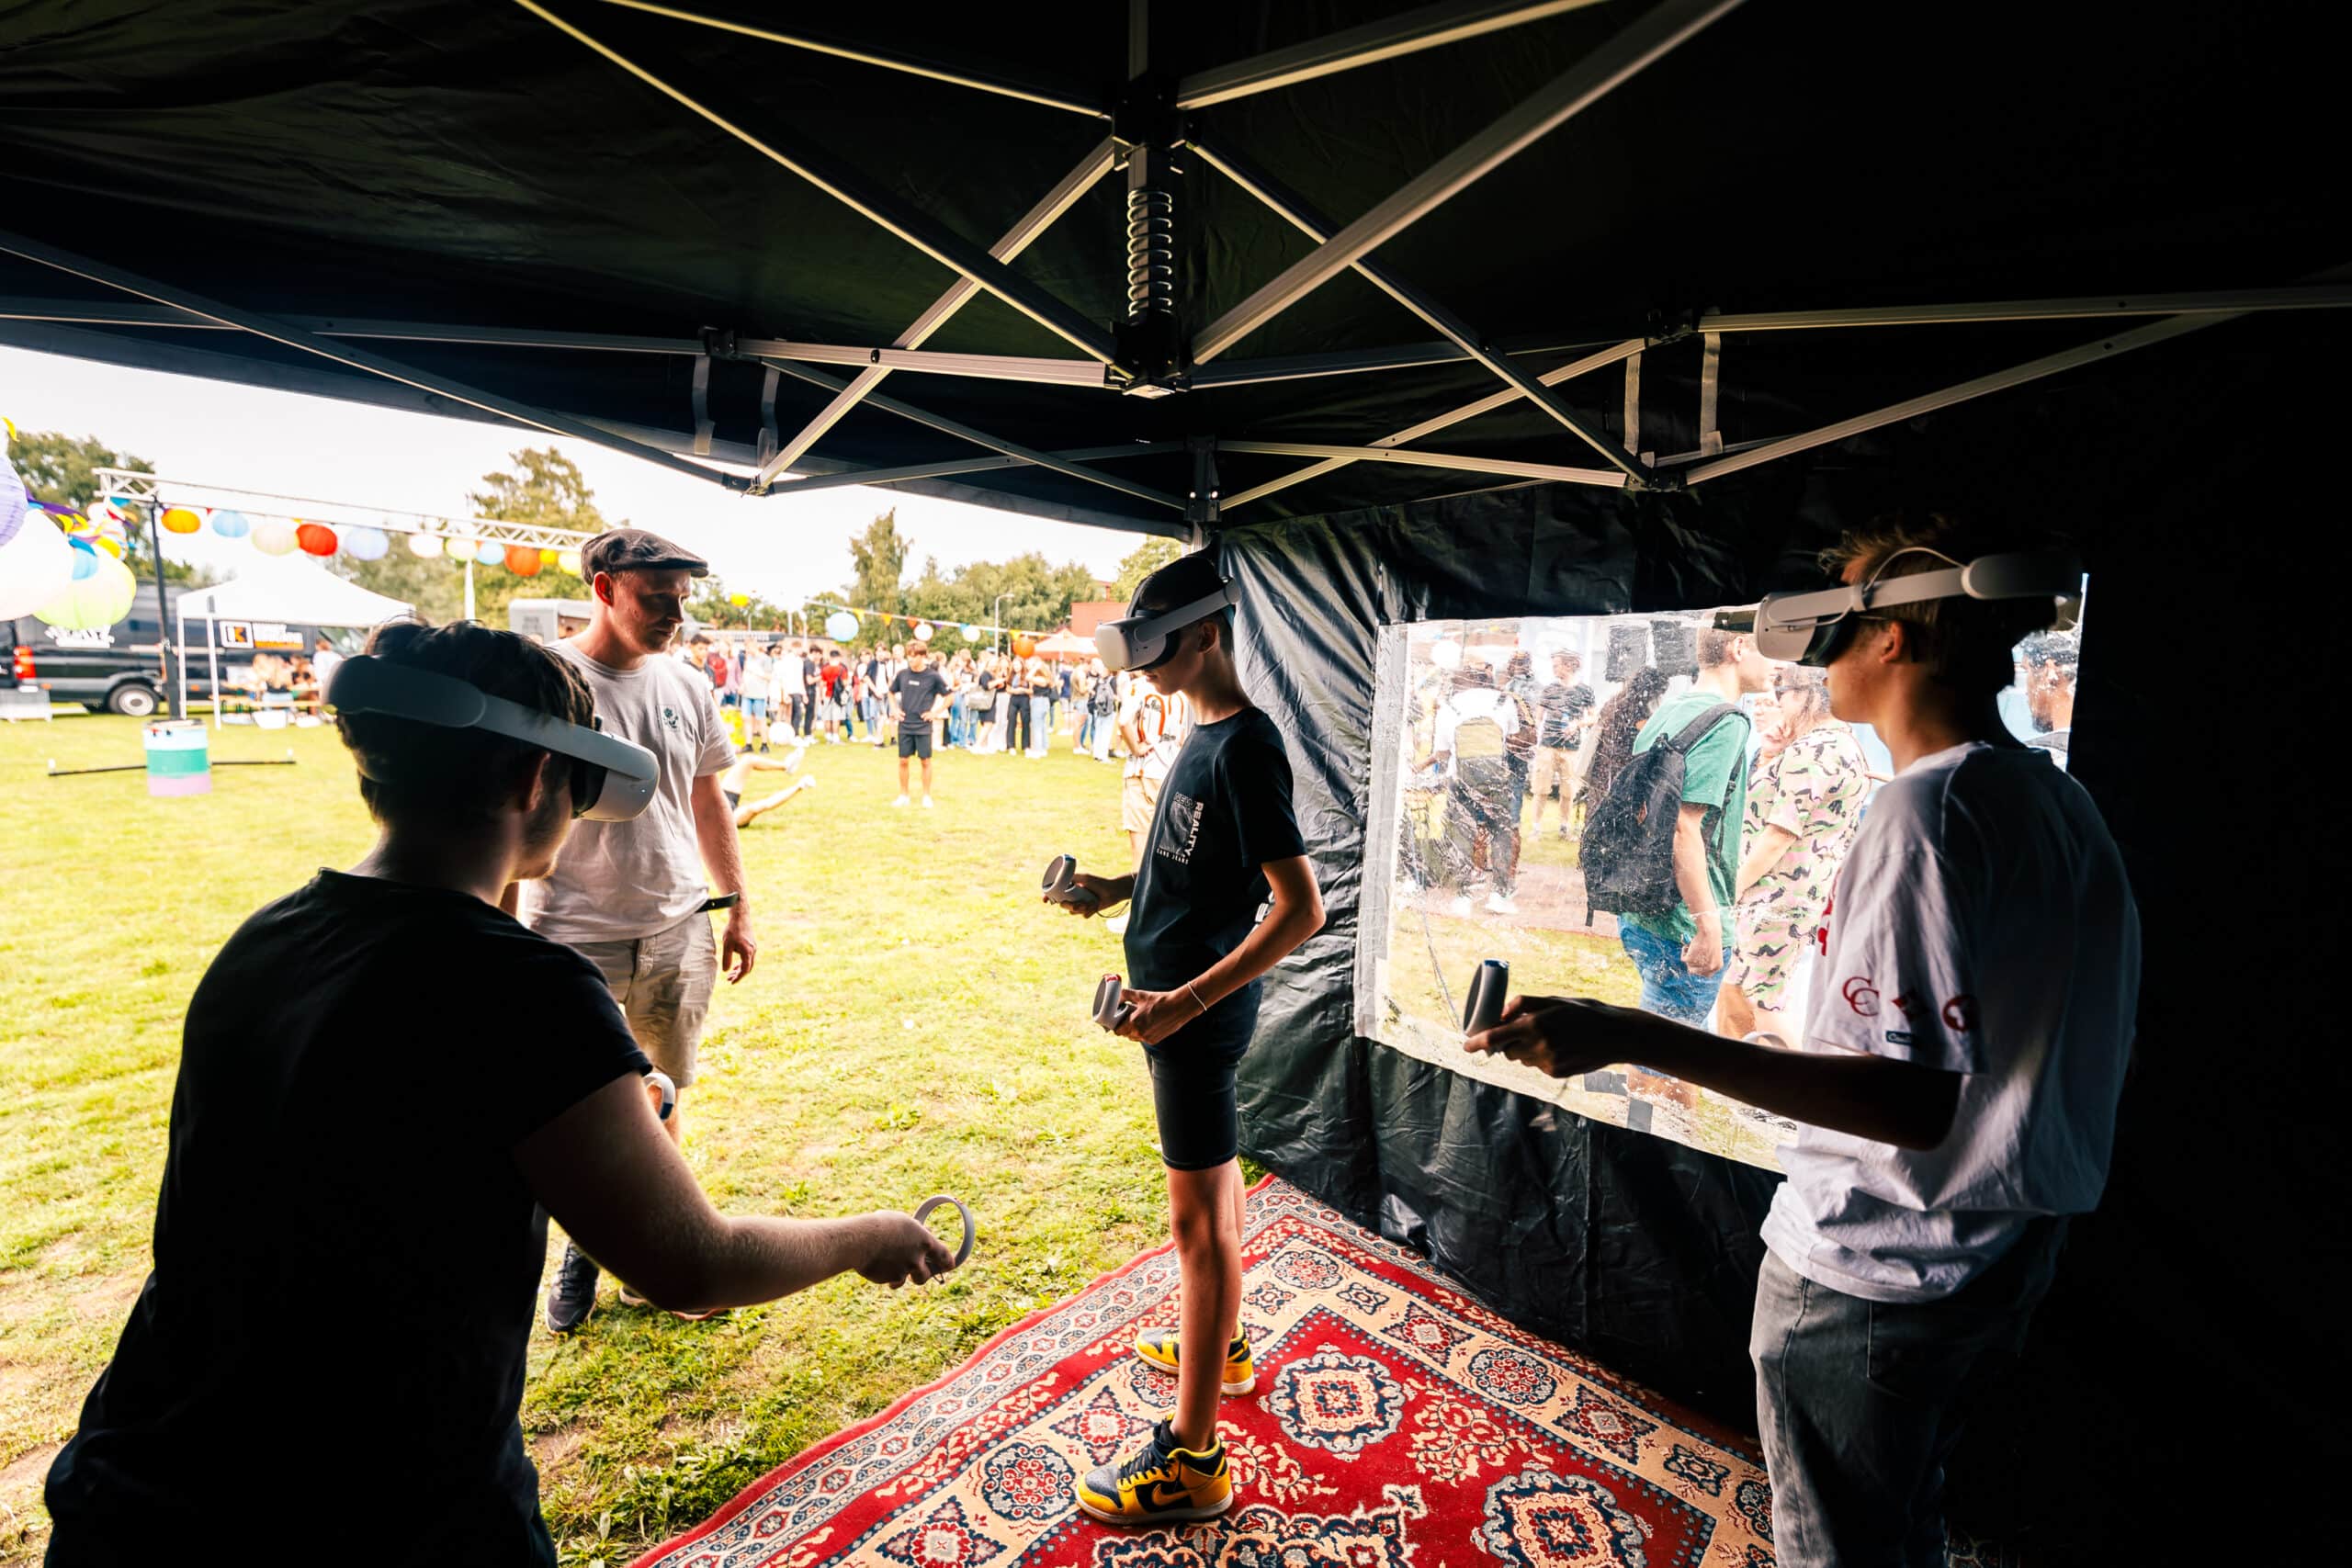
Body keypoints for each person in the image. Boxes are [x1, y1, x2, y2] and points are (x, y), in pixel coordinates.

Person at [41, 619, 953, 1567]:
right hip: (378, 1512)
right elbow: (690, 1267)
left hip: (144, 1484)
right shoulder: (523, 993)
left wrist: (592, 1111)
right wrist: (871, 1237)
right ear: (531, 781)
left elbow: (383, 1143)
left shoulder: (268, 937)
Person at [1466, 513, 2137, 1568]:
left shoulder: (1926, 811)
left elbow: (1909, 1105)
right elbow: (1991, 1048)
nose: (1816, 654)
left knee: (1836, 1547)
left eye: (1838, 619)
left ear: (1892, 638)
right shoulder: (2055, 799)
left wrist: (1634, 1035)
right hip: (1990, 1252)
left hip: (1878, 1266)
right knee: (1899, 1523)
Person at [1051, 552, 1323, 1525]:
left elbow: (1299, 911)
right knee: (1213, 1199)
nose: (1141, 670)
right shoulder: (1197, 731)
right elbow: (1204, 867)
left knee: (1195, 1226)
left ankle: (1195, 1458)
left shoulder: (1246, 745)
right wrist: (1113, 892)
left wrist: (1185, 1004)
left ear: (1207, 633)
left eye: (1157, 648)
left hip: (1192, 1021)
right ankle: (1229, 1345)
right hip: (1178, 1011)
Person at [514, 529, 763, 1332]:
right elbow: (511, 802)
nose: (675, 613)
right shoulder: (549, 680)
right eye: (658, 595)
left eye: (682, 597)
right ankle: (581, 1250)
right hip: (571, 930)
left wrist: (737, 903)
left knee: (663, 1095)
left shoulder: (687, 684)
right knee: (569, 1108)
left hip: (677, 925)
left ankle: (651, 1266)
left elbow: (707, 799)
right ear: (604, 588)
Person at [1614, 629, 1768, 1026]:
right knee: (1667, 1060)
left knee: (1657, 1042)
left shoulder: (1672, 706)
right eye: (1771, 651)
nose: (1779, 665)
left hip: (1642, 909)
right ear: (1739, 647)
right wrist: (1708, 924)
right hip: (1684, 921)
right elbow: (1684, 826)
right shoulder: (1728, 721)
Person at [1718, 665, 1871, 1043]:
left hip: (1775, 895)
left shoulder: (1813, 751)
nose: (1776, 705)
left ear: (1807, 695)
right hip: (1792, 892)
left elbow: (1777, 836)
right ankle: (1745, 1089)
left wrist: (1728, 893)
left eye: (1781, 695)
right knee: (1738, 994)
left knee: (1763, 1003)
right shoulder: (1842, 743)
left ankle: (1790, 1091)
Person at [1427, 660, 1524, 915]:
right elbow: (1513, 736)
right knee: (1501, 833)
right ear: (1486, 679)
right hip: (1497, 778)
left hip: (1461, 778)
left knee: (1462, 834)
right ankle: (1499, 894)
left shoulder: (1449, 706)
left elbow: (1442, 752)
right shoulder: (1504, 701)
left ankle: (1463, 895)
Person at [1527, 650, 1596, 837]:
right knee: (1540, 789)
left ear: (1568, 665)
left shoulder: (1585, 691)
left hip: (1571, 749)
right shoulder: (1549, 689)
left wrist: (1577, 724)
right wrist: (1538, 734)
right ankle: (1536, 828)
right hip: (1547, 746)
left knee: (1568, 791)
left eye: (1556, 665)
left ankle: (1564, 827)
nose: (1553, 668)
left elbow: (1594, 717)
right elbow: (1539, 716)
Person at [1582, 665, 1669, 808]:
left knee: (1598, 810)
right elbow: (1648, 737)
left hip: (1603, 768)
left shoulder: (1614, 701)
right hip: (1622, 770)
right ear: (1650, 690)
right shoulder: (1636, 708)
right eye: (1658, 693)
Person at [889, 639, 950, 807]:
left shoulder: (933, 676)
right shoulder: (902, 674)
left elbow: (949, 696)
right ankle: (903, 795)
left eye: (914, 657)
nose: (910, 660)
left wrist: (935, 713)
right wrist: (895, 710)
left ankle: (926, 796)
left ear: (923, 656)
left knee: (925, 761)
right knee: (903, 760)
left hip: (923, 725)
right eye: (909, 656)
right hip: (905, 724)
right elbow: (891, 692)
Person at [718, 742, 815, 829]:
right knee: (755, 808)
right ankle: (801, 786)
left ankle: (786, 766)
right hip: (727, 817)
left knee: (748, 760)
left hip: (721, 797)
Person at [739, 641, 774, 752]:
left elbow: (769, 676)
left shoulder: (765, 659)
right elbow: (745, 672)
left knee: (760, 719)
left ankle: (764, 744)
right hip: (747, 693)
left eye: (749, 648)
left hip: (759, 693)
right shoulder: (748, 659)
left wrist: (757, 672)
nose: (748, 651)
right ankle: (749, 744)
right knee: (746, 718)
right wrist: (742, 685)